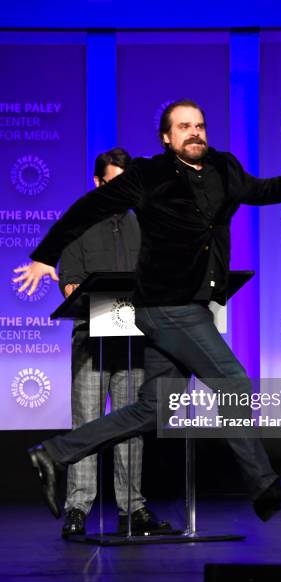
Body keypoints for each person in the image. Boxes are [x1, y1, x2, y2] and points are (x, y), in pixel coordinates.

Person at [14, 99, 281, 522]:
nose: (194, 132)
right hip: (166, 304)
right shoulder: (148, 175)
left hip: (189, 302)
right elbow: (87, 210)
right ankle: (263, 486)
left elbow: (264, 190)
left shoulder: (223, 168)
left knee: (155, 408)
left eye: (199, 125)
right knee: (233, 380)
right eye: (183, 127)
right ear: (167, 137)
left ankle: (53, 454)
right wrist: (45, 256)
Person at [58, 147, 171, 537]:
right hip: (92, 339)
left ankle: (132, 508)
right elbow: (69, 280)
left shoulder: (145, 223)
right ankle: (77, 508)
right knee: (87, 422)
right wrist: (89, 299)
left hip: (133, 340)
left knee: (131, 424)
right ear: (97, 183)